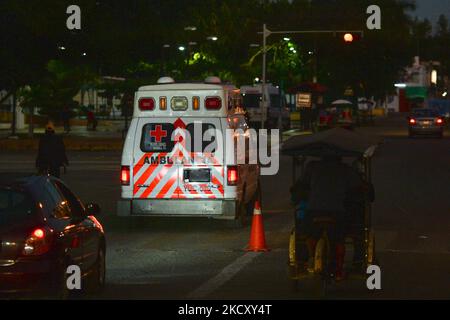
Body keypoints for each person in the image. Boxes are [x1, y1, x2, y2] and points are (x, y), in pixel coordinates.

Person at [291, 154, 364, 280]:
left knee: (306, 234)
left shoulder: (312, 167)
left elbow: (300, 186)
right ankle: (340, 268)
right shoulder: (346, 170)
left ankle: (309, 257)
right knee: (340, 239)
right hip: (337, 212)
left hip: (314, 212)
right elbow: (358, 188)